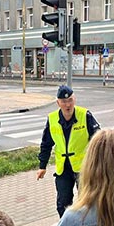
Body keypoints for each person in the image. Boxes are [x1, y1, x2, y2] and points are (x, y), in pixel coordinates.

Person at [37, 85, 100, 217]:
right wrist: (42, 166)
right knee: (63, 203)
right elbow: (46, 143)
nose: (68, 104)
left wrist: (99, 163)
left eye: (70, 100)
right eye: (64, 101)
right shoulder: (52, 119)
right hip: (63, 169)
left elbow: (98, 139)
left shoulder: (85, 115)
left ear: (74, 99)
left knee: (87, 201)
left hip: (83, 168)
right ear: (58, 103)